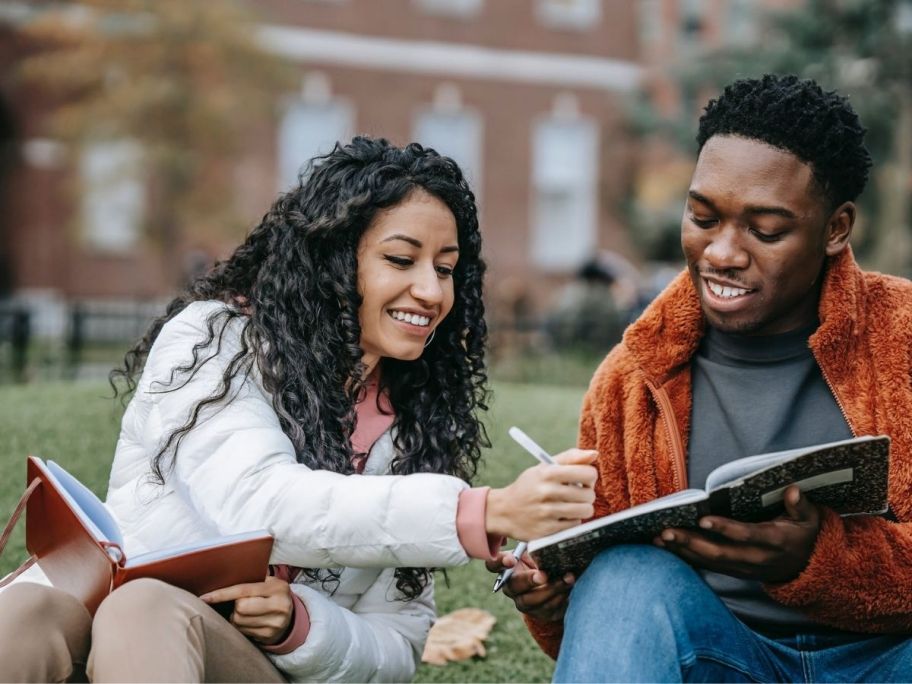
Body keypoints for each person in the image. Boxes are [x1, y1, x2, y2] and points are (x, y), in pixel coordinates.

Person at [0, 136, 597, 683]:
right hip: (104, 621)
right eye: (401, 260)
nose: (433, 291)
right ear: (333, 261)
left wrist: (299, 626)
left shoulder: (415, 422)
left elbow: (397, 643)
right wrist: (482, 512)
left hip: (233, 660)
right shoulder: (215, 342)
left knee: (145, 607)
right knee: (26, 610)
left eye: (445, 268)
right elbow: (257, 502)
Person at [492, 74, 912, 682]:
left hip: (887, 658)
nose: (721, 253)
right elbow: (615, 631)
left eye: (765, 230)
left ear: (836, 228)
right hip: (721, 655)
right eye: (702, 217)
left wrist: (821, 559)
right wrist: (550, 596)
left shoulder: (901, 337)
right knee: (621, 576)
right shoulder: (632, 378)